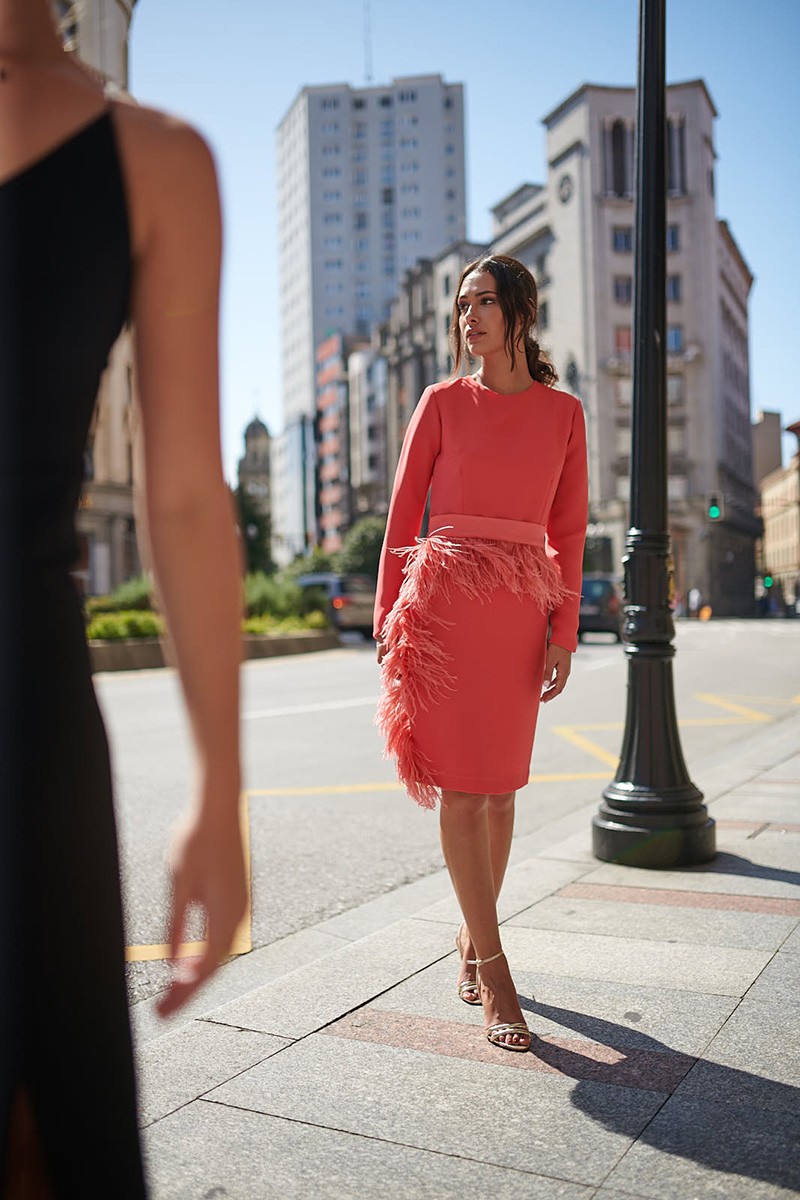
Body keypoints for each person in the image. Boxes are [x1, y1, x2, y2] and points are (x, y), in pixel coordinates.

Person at [1, 1, 247, 1193]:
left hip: (30, 725)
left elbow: (187, 498)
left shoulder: (160, 162)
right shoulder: (155, 158)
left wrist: (221, 791)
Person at [374, 254, 587, 1052]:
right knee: (463, 793)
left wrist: (564, 631)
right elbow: (403, 515)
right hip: (446, 613)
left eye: (485, 302)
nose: (470, 317)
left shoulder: (565, 415)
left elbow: (569, 530)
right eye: (463, 305)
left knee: (500, 793)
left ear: (521, 312)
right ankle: (495, 969)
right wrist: (388, 619)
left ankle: (472, 931)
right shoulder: (440, 403)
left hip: (520, 614)